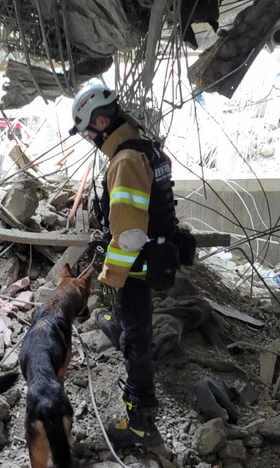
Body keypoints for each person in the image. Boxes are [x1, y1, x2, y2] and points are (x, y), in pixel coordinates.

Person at [70, 82, 196, 448]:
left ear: (104, 121)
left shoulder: (124, 160)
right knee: (129, 327)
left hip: (137, 267)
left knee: (136, 339)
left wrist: (110, 281)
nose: (89, 138)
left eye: (89, 131)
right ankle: (121, 330)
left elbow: (128, 236)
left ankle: (140, 422)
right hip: (154, 256)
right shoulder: (146, 148)